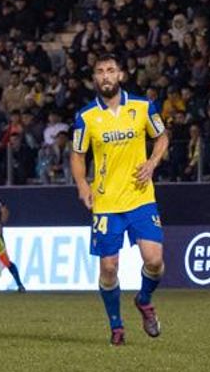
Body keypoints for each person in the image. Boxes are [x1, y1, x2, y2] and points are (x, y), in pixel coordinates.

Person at [71, 55, 170, 345]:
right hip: (106, 202)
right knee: (109, 268)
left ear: (121, 75)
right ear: (95, 79)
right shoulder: (86, 116)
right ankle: (116, 326)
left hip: (140, 197)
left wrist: (152, 162)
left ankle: (144, 299)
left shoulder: (142, 107)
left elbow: (162, 136)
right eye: (100, 72)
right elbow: (77, 154)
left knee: (154, 260)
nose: (106, 76)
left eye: (111, 70)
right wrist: (81, 184)